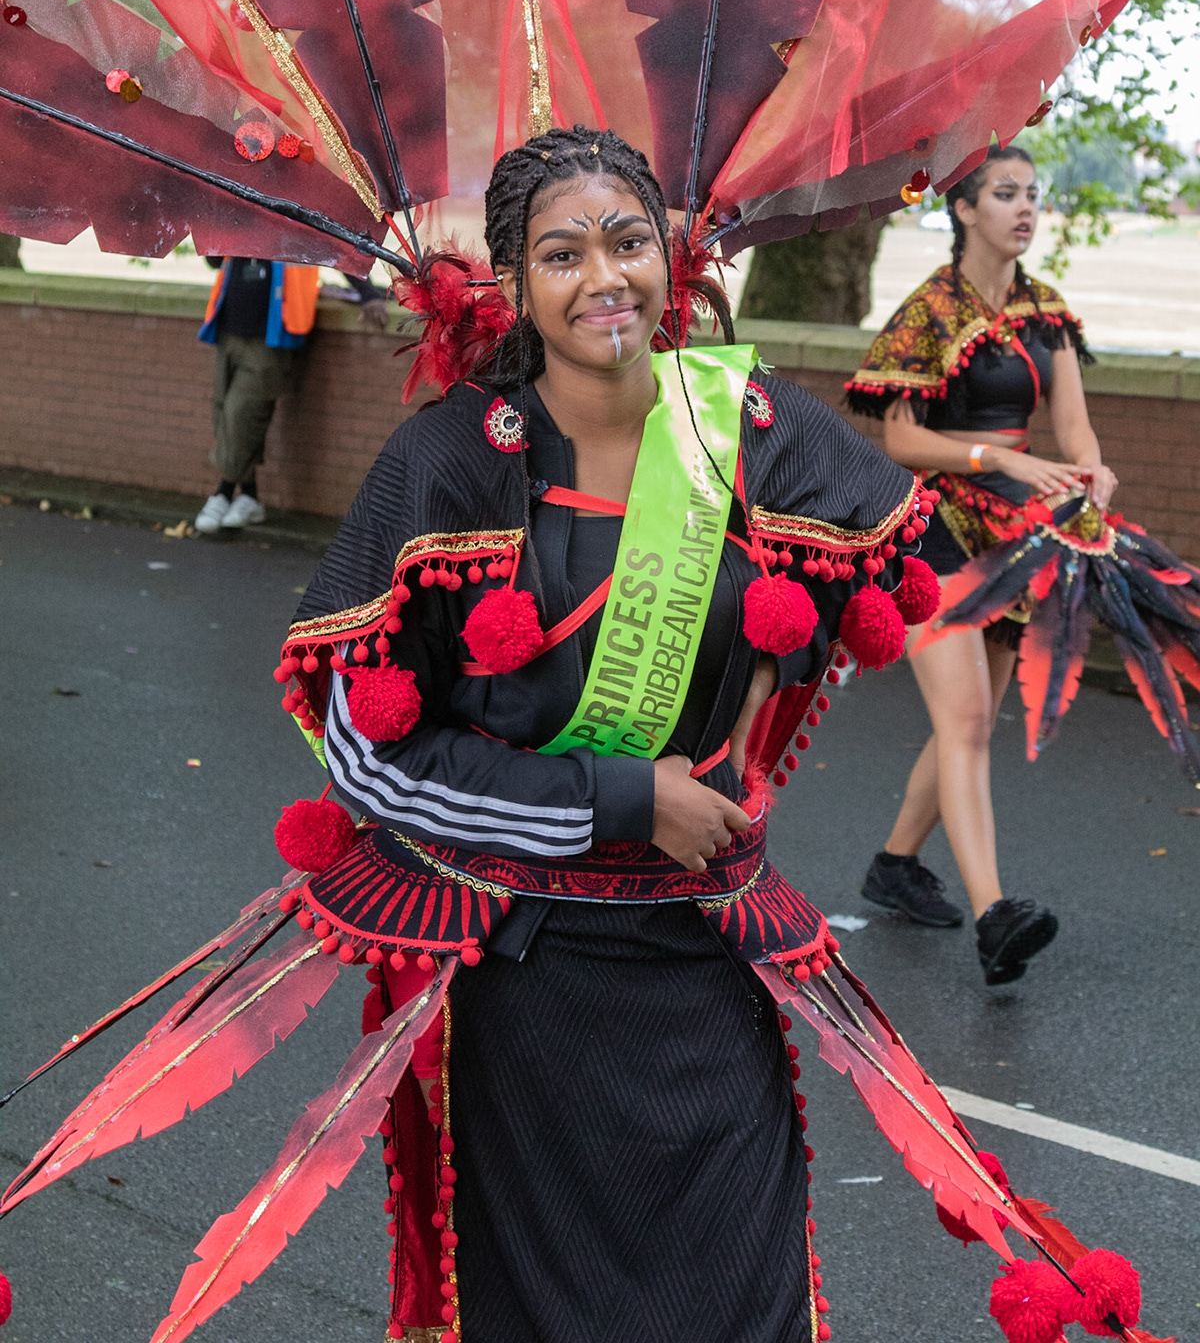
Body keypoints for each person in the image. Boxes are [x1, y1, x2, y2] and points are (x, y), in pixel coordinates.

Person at [0, 132, 1159, 1343]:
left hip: (709, 952)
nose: (604, 276)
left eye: (628, 239)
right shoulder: (448, 462)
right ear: (513, 286)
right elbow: (365, 753)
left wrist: (754, 712)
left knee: (744, 1296)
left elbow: (872, 580)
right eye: (562, 253)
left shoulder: (748, 423)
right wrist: (623, 799)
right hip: (524, 978)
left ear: (673, 252)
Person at [847, 145, 1117, 986]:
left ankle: (895, 864)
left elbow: (1072, 431)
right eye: (1006, 194)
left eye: (1033, 194)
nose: (1025, 208)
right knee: (966, 721)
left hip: (1019, 531)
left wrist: (1091, 474)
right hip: (934, 524)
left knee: (971, 720)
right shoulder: (930, 307)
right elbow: (898, 437)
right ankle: (998, 915)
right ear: (964, 209)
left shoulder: (1046, 309)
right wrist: (990, 459)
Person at [194, 257, 388, 534]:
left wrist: (369, 294)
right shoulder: (241, 215)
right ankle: (249, 496)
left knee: (242, 415)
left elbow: (335, 250)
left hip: (270, 337)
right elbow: (214, 259)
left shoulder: (296, 216)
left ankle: (222, 493)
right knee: (224, 414)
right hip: (228, 330)